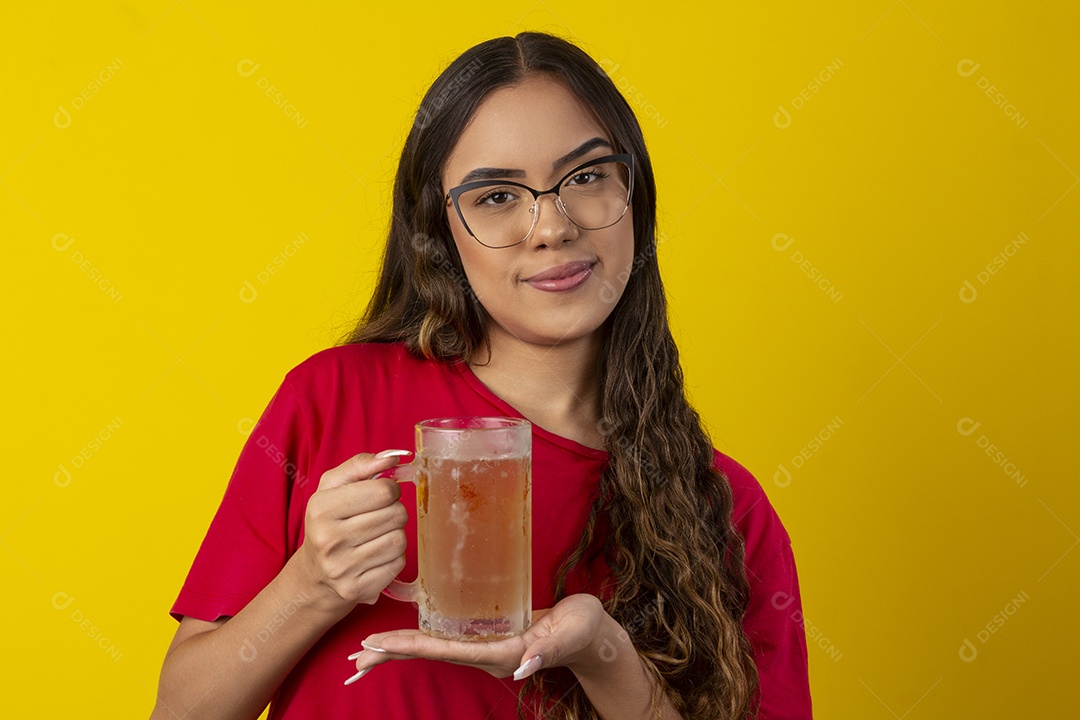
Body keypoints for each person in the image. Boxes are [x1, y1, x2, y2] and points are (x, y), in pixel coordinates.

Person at [150, 32, 813, 720]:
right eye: (496, 195)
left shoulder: (726, 511)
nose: (550, 226)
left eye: (585, 177)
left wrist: (600, 650)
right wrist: (312, 585)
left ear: (635, 196)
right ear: (440, 232)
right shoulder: (333, 399)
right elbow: (182, 712)